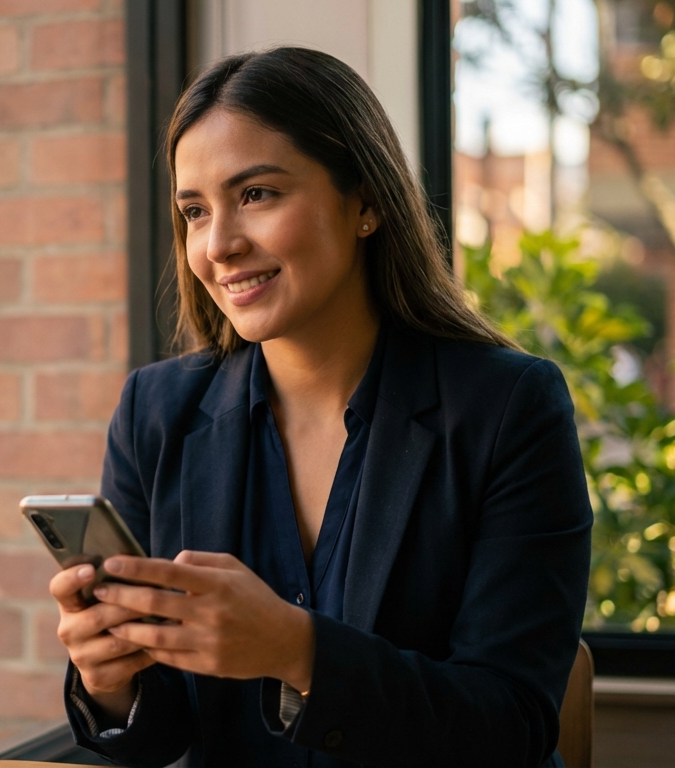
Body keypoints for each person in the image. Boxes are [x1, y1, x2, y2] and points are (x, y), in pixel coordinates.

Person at [47, 47, 592, 768]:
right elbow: (162, 734)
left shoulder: (508, 410)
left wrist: (295, 650)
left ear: (364, 201)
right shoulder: (157, 413)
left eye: (257, 195)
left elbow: (510, 727)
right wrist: (109, 679)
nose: (218, 245)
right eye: (194, 211)